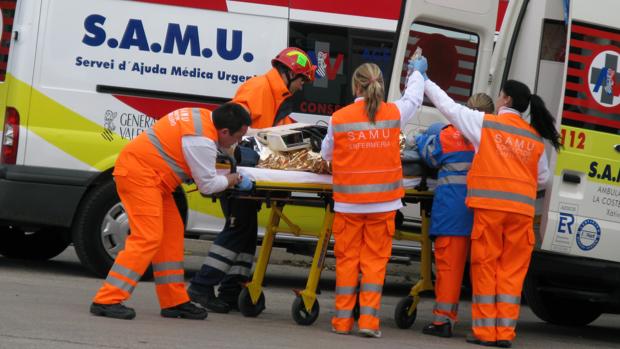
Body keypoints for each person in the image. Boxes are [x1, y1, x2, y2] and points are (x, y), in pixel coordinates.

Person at [411, 56, 561, 347]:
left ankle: (483, 332)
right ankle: (504, 333)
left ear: (504, 99)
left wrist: (425, 80)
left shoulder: (486, 126)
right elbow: (543, 179)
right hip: (520, 214)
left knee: (486, 267)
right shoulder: (534, 138)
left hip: (490, 210)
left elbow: (449, 108)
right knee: (511, 272)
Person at [90, 103, 251, 320]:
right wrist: (233, 179)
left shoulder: (203, 117)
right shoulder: (201, 140)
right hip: (141, 176)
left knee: (171, 236)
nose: (237, 142)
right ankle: (107, 299)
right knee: (148, 237)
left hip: (155, 179)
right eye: (237, 137)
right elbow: (208, 186)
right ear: (224, 131)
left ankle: (174, 302)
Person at [188, 47, 317, 313]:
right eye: (302, 79)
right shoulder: (258, 89)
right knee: (237, 230)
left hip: (250, 173)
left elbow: (283, 132)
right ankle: (201, 286)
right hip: (237, 172)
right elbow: (235, 130)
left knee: (246, 233)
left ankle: (231, 290)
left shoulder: (277, 96)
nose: (302, 86)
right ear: (289, 73)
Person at [321, 62, 424, 338]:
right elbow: (414, 98)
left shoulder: (339, 118)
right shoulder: (393, 113)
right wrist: (416, 72)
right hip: (383, 204)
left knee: (347, 262)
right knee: (374, 263)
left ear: (356, 86)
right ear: (379, 84)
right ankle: (368, 323)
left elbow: (326, 155)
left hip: (349, 205)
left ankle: (342, 322)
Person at [415, 93, 494, 338]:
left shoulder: (449, 135)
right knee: (485, 272)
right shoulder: (494, 138)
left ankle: (443, 321)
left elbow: (428, 153)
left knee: (450, 270)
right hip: (486, 215)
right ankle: (486, 326)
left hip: (453, 215)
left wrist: (420, 138)